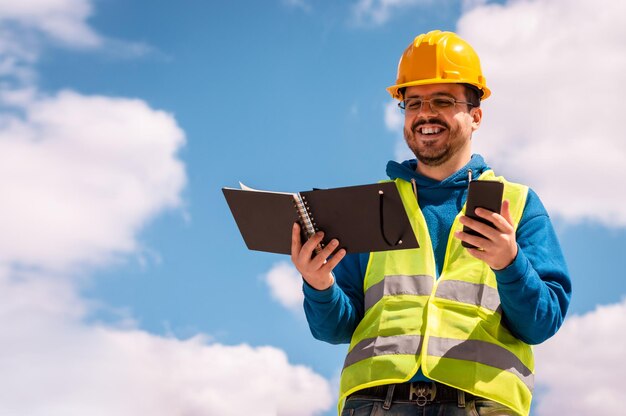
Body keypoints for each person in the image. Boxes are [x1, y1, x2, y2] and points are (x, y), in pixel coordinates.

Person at [290, 30, 571, 416]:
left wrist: (509, 263)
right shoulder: (371, 205)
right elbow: (335, 329)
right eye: (413, 102)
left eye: (442, 101)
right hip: (375, 404)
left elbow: (542, 323)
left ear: (475, 116)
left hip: (480, 405)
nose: (424, 114)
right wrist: (319, 285)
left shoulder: (519, 205)